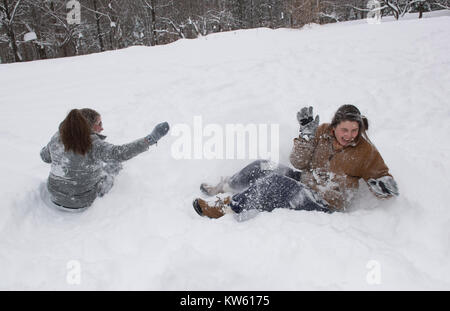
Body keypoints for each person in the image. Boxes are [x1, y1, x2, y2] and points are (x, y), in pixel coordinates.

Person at [193, 105, 399, 219]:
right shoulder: (322, 132)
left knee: (273, 183)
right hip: (305, 180)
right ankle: (226, 186)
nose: (349, 136)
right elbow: (298, 163)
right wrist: (307, 136)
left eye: (355, 131)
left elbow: (382, 178)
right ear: (334, 126)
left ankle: (225, 207)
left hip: (325, 202)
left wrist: (384, 186)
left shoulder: (365, 151)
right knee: (265, 166)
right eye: (345, 130)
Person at [40, 108, 169, 211]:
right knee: (114, 166)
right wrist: (151, 139)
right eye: (99, 124)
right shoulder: (93, 144)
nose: (102, 128)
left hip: (54, 195)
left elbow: (45, 157)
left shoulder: (57, 138)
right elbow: (119, 154)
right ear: (88, 127)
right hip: (81, 200)